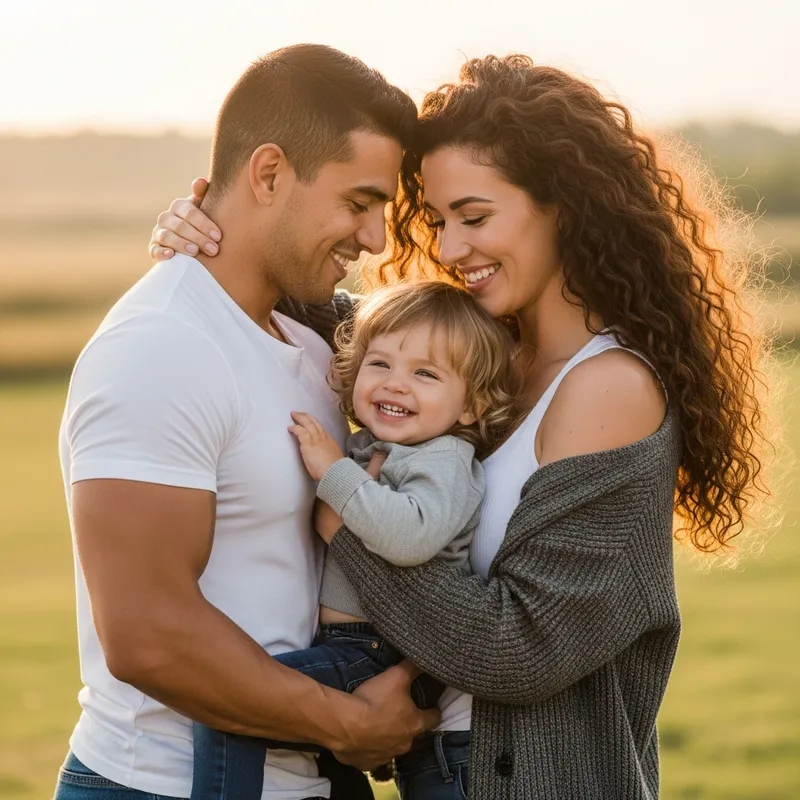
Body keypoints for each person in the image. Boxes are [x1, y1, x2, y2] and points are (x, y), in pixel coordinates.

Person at [152, 55, 773, 800]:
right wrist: (203, 231)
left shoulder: (610, 389)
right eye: (439, 222)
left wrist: (345, 520)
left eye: (475, 218)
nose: (448, 251)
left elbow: (518, 651)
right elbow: (316, 302)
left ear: (565, 205)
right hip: (438, 774)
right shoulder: (474, 362)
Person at [55, 44, 442, 800]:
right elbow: (147, 635)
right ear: (268, 174)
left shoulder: (308, 348)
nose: (375, 240)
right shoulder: (159, 347)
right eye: (358, 202)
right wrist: (344, 723)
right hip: (160, 787)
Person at [192, 280, 520, 799]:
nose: (396, 384)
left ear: (471, 407)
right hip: (353, 643)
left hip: (379, 648)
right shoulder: (375, 443)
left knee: (232, 708)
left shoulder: (445, 459)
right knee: (326, 752)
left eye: (426, 374)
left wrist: (334, 473)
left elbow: (410, 535)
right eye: (380, 364)